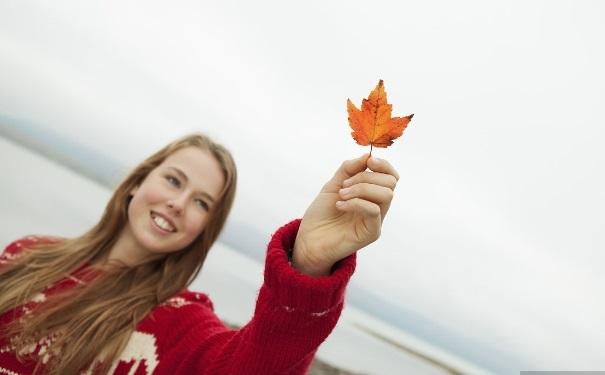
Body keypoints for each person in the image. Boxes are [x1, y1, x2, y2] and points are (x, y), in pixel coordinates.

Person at [0, 133, 399, 375]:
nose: (178, 203)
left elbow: (253, 366)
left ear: (204, 230)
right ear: (137, 182)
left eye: (202, 203)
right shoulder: (28, 254)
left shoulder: (182, 326)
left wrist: (309, 265)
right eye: (173, 180)